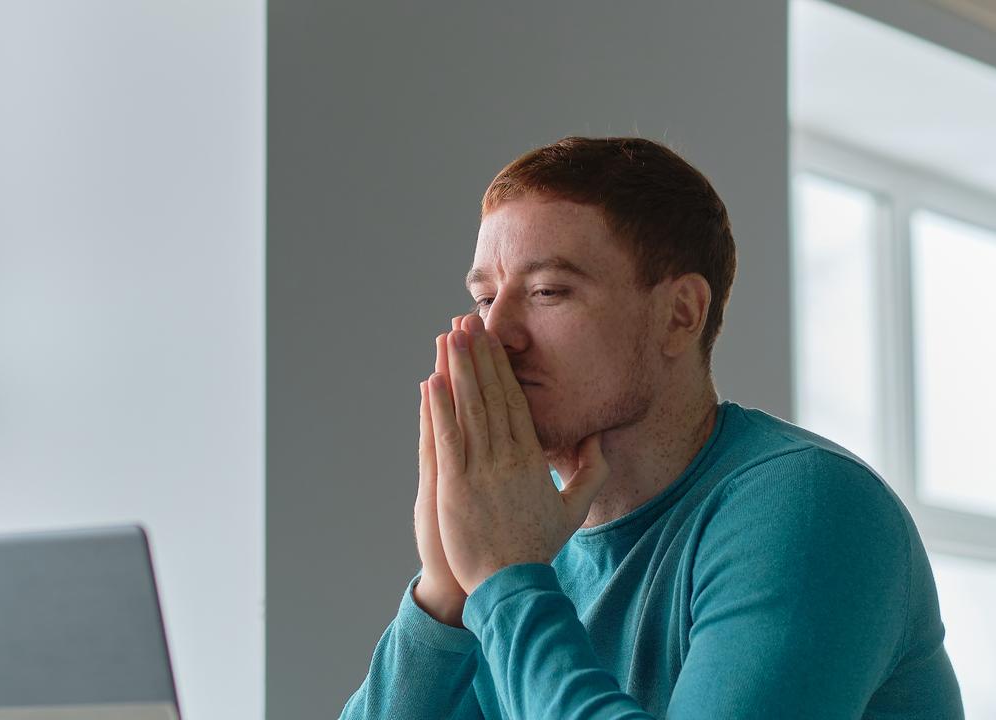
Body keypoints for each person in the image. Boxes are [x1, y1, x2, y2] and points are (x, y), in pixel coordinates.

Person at [339, 137, 963, 719]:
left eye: (549, 291)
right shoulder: (520, 538)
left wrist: (507, 584)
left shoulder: (812, 506)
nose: (497, 333)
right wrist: (444, 593)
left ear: (680, 315)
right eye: (484, 298)